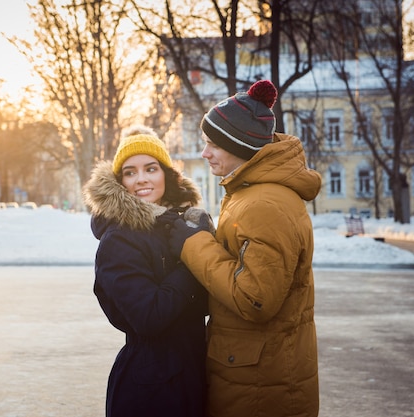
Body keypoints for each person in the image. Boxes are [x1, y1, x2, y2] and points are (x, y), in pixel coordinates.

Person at [167, 80, 322, 417]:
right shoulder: (254, 194)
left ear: (239, 146)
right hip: (256, 372)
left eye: (212, 145)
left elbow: (256, 299)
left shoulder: (264, 203)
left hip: (259, 386)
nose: (204, 153)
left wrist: (193, 243)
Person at [82, 126, 213, 417]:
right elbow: (148, 317)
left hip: (193, 375)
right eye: (130, 172)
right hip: (150, 390)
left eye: (150, 169)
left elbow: (206, 303)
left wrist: (207, 248)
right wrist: (191, 257)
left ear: (166, 173)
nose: (141, 179)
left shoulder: (174, 227)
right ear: (120, 182)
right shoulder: (119, 239)